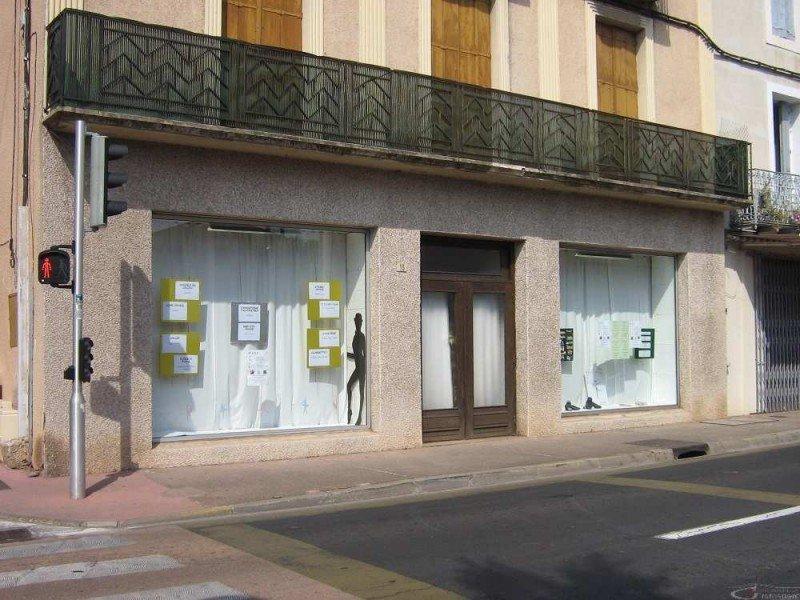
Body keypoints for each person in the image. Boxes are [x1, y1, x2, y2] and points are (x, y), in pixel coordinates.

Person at [346, 313, 366, 425]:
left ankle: (359, 417)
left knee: (361, 391)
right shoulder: (355, 336)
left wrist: (366, 368)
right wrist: (346, 354)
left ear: (361, 323)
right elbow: (357, 355)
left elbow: (365, 354)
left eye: (359, 321)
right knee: (349, 385)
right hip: (358, 366)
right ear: (354, 322)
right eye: (356, 321)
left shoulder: (361, 336)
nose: (358, 323)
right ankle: (349, 410)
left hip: (362, 366)